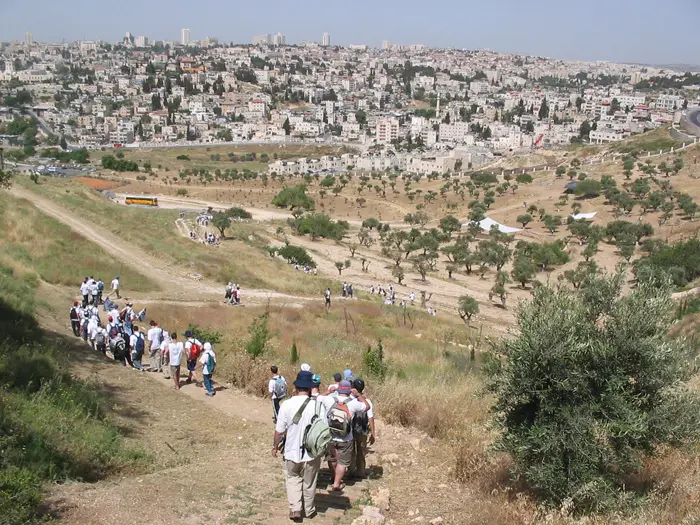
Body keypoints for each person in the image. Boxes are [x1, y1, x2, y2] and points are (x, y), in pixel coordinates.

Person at [273, 371, 326, 522]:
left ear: (296, 387)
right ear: (310, 388)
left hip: (291, 450)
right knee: (309, 481)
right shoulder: (318, 406)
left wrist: (275, 446)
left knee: (293, 478)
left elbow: (279, 431)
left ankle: (295, 509)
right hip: (312, 451)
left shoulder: (286, 405)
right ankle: (309, 510)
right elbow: (324, 430)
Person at [324, 380, 369, 492]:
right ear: (349, 390)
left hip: (330, 435)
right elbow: (366, 406)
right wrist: (358, 395)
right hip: (346, 438)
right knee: (342, 462)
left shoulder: (329, 399)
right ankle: (336, 483)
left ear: (338, 389)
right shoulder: (353, 403)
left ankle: (334, 476)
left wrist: (329, 391)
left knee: (332, 459)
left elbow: (316, 397)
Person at [350, 378, 376, 479]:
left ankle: (351, 470)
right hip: (363, 430)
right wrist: (373, 433)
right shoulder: (367, 401)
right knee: (361, 451)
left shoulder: (349, 400)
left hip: (351, 430)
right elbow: (370, 418)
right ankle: (360, 472)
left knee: (351, 451)